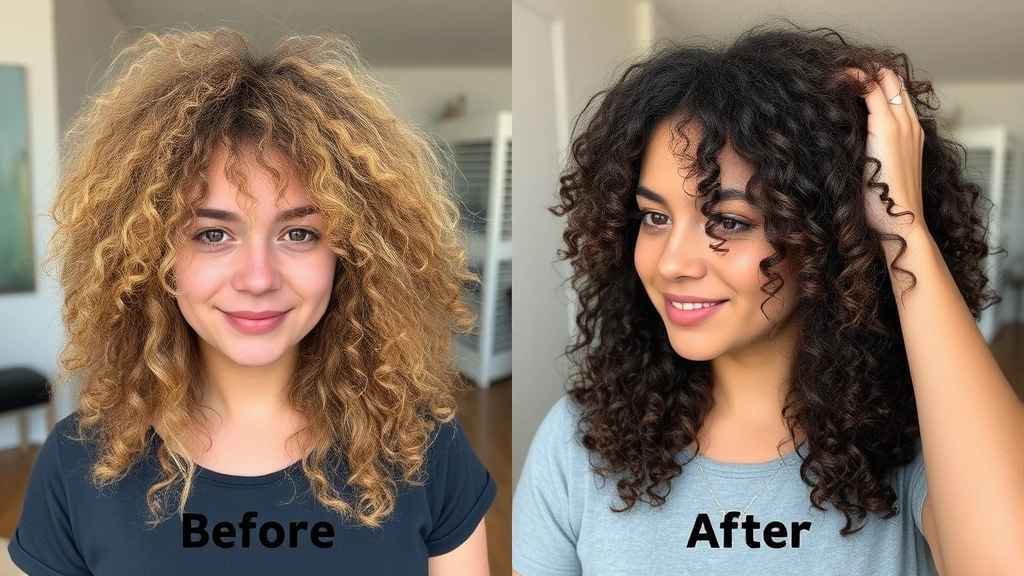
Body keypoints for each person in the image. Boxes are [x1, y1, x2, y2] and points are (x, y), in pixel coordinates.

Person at [512, 24, 1024, 575]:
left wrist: (902, 229)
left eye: (729, 221)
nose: (671, 263)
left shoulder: (921, 448)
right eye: (655, 217)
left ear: (828, 239)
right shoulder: (576, 443)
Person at [9, 29, 495, 575]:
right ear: (150, 255)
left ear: (351, 253)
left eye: (300, 234)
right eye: (212, 235)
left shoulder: (423, 446)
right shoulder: (78, 462)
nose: (258, 278)